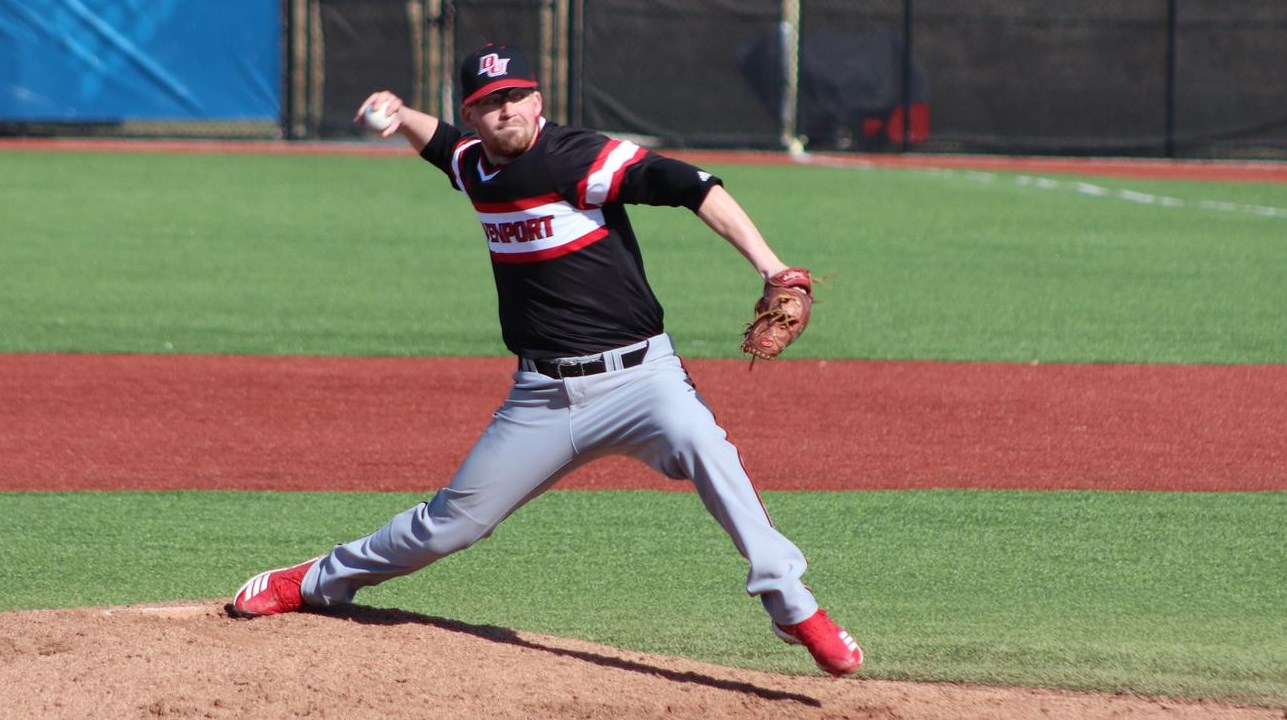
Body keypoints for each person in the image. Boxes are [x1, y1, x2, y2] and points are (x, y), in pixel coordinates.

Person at [228, 43, 861, 677]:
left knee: (713, 457)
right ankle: (315, 581)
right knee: (449, 526)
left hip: (645, 381)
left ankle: (792, 605)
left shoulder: (578, 158)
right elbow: (440, 144)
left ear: (537, 100)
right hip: (542, 397)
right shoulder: (474, 164)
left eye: (514, 96)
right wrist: (400, 113)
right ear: (474, 115)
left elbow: (691, 185)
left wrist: (774, 268)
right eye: (488, 103)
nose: (505, 110)